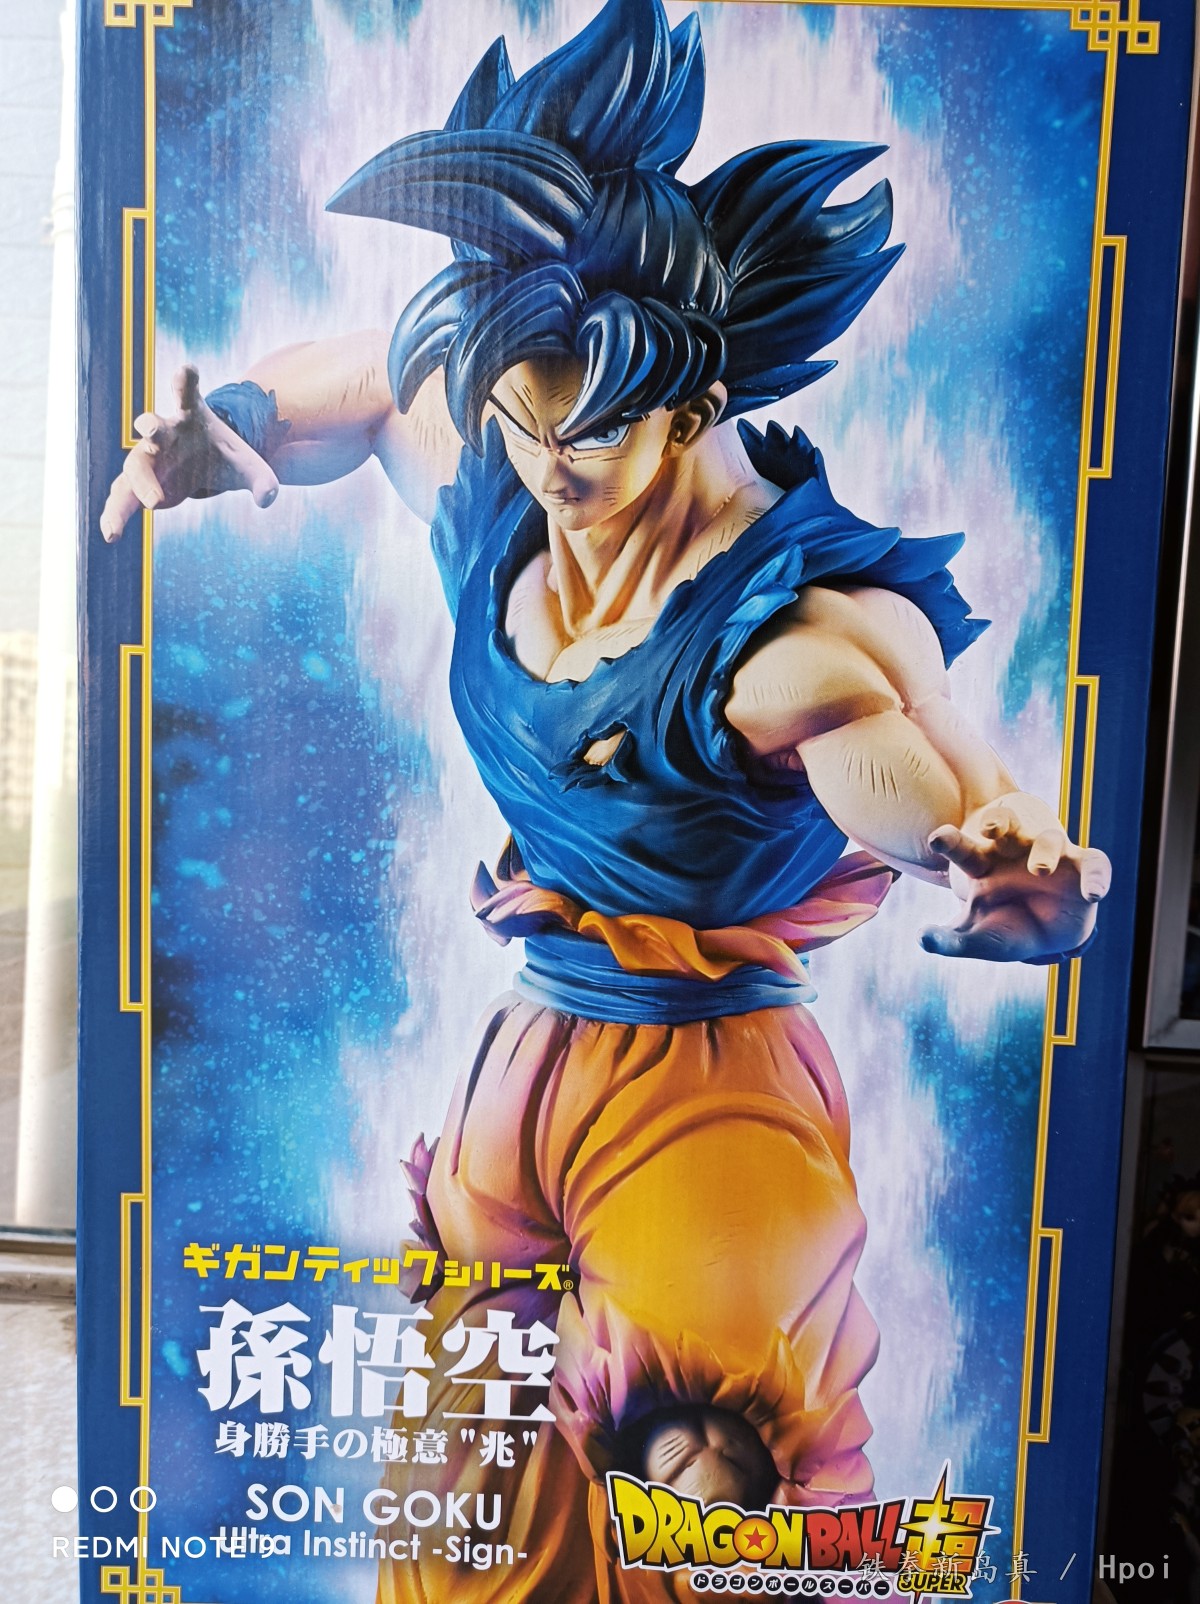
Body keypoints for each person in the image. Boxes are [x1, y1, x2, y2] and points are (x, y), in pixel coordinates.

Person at [101, 1, 1110, 1596]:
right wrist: (224, 437)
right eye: (516, 419)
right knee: (470, 1499)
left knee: (712, 1482)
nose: (541, 466)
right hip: (529, 1061)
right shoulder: (507, 455)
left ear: (690, 412)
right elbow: (360, 389)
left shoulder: (785, 637)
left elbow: (906, 758)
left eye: (581, 439)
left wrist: (981, 852)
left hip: (706, 1099)